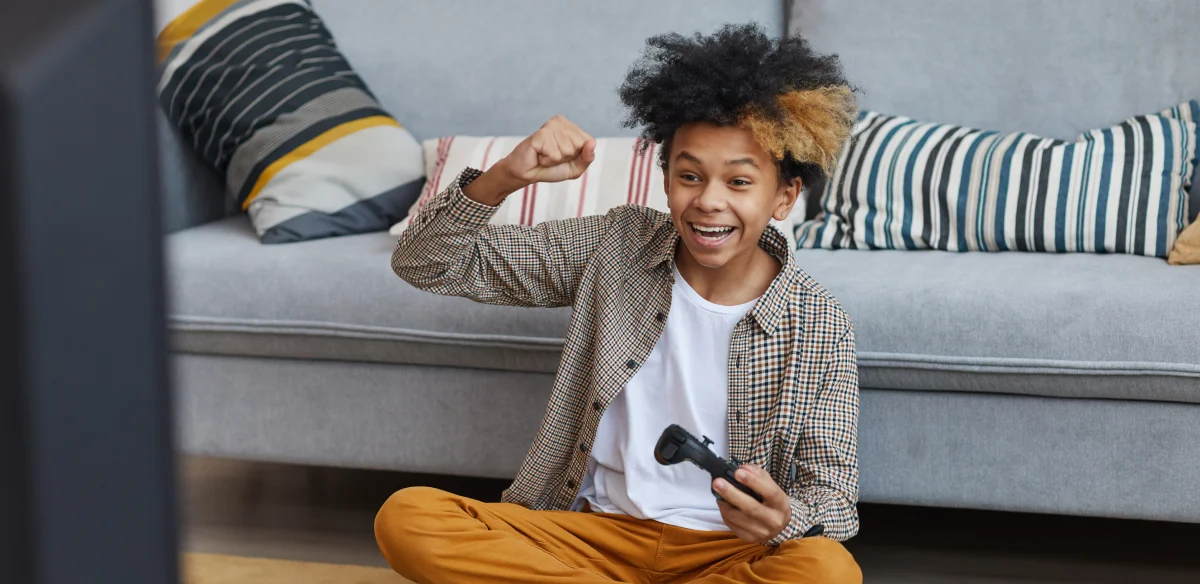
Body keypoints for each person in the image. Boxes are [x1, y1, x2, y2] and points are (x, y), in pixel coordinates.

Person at [375, 23, 862, 584]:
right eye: (689, 176)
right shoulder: (617, 246)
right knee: (409, 516)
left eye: (739, 182)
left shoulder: (819, 321)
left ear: (784, 196)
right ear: (665, 179)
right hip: (586, 536)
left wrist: (784, 516)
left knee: (828, 570)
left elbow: (835, 499)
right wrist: (507, 176)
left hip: (726, 553)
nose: (708, 201)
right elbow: (426, 262)